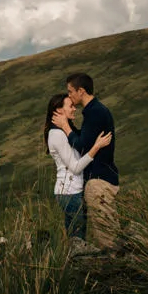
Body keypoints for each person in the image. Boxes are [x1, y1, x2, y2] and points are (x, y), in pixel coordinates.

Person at [44, 92, 112, 240]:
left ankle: (73, 262)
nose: (74, 108)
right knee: (78, 238)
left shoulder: (64, 132)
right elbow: (75, 167)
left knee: (76, 238)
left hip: (73, 192)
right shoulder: (56, 134)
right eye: (70, 106)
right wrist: (96, 147)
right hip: (69, 193)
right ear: (58, 110)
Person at [65, 72, 119, 249]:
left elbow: (82, 147)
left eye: (70, 91)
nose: (69, 96)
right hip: (101, 179)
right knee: (104, 232)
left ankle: (117, 270)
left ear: (81, 91)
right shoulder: (93, 111)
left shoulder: (95, 112)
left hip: (99, 182)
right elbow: (86, 140)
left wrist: (66, 128)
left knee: (107, 235)